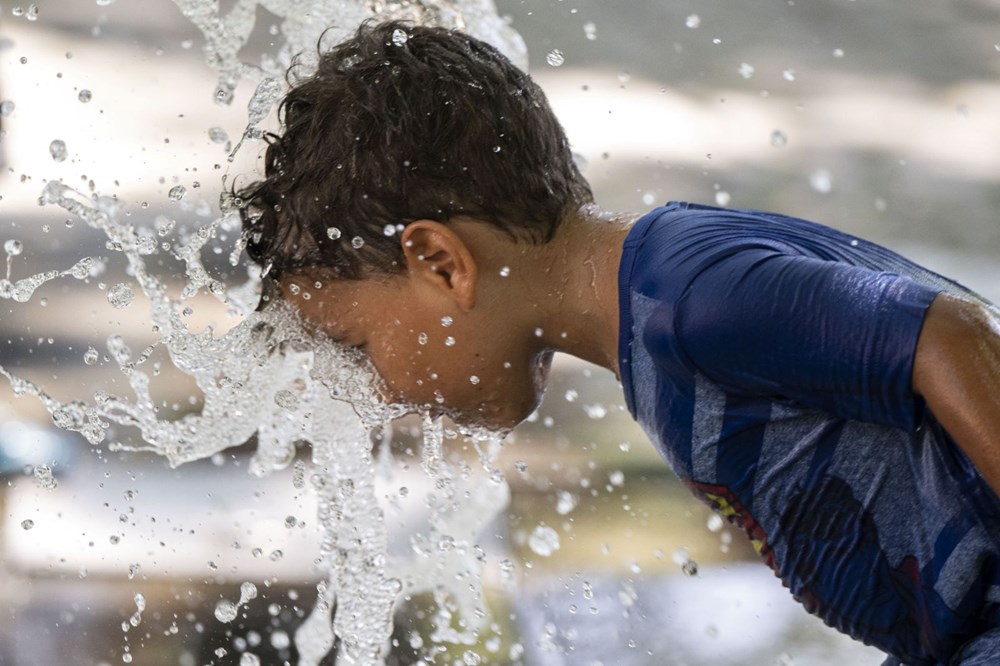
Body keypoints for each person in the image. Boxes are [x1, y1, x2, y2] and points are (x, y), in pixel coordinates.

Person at [236, 19, 1000, 666]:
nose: (378, 390)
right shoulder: (657, 321)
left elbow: (949, 334)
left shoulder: (687, 301)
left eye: (360, 346)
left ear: (440, 263)